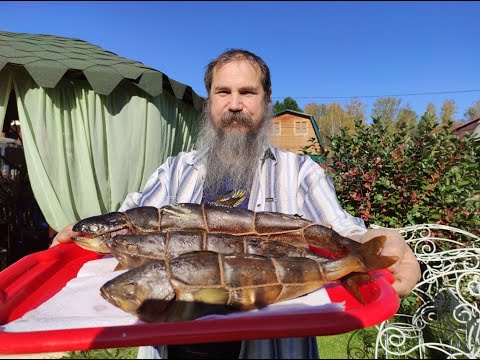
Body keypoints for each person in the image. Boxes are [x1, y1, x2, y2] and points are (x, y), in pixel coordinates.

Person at [51, 48, 421, 359]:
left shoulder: (299, 171)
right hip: (174, 350)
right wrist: (78, 232)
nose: (234, 105)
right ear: (209, 101)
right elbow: (127, 224)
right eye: (222, 92)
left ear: (266, 101)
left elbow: (340, 231)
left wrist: (378, 238)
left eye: (247, 92)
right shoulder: (175, 170)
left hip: (270, 349)